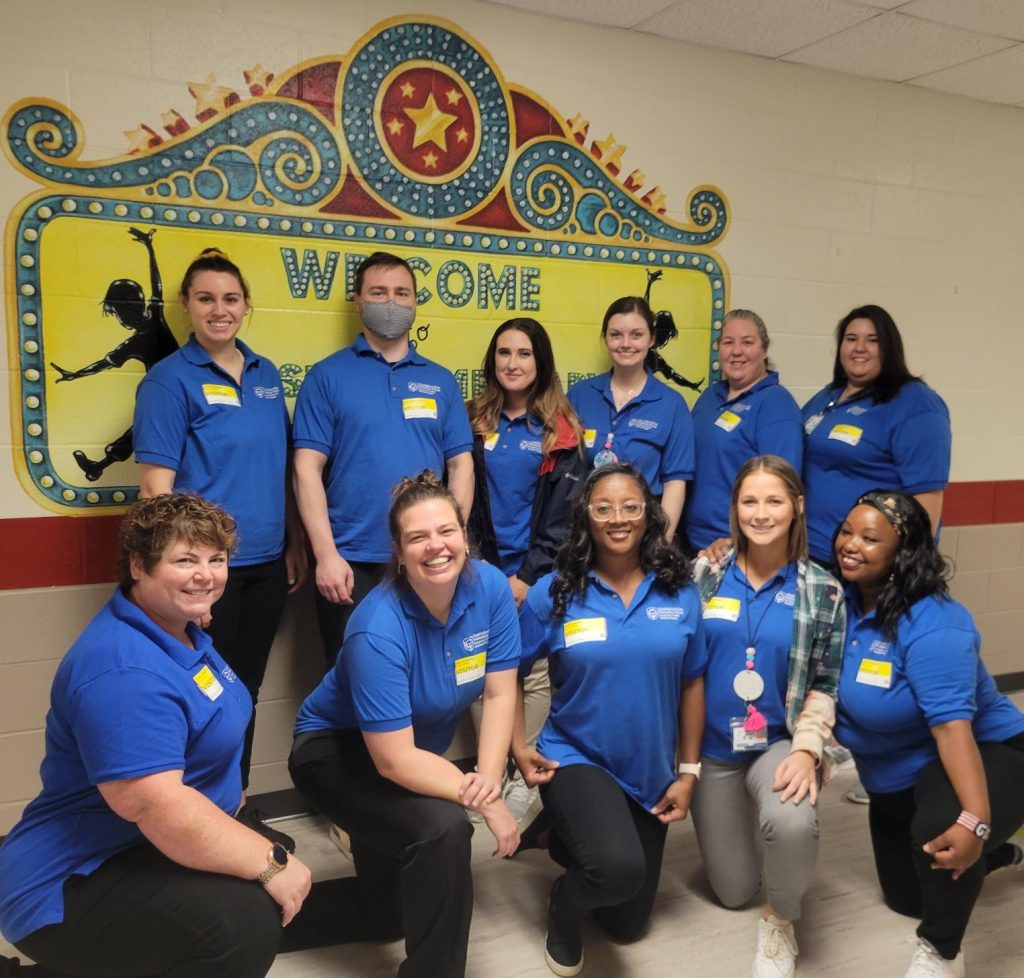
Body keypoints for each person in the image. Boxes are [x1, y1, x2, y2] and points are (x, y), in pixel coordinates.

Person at [0, 494, 312, 978]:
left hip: (139, 846)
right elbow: (157, 805)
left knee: (255, 876)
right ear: (138, 566)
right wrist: (269, 864)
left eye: (216, 559)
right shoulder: (124, 670)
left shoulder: (179, 630)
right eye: (184, 560)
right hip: (68, 880)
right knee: (240, 923)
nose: (205, 574)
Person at [285, 471, 520, 978]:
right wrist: (487, 802)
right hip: (336, 754)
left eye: (446, 531)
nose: (435, 547)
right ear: (397, 550)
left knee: (387, 913)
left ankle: (261, 908)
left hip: (409, 753)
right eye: (417, 537)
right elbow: (390, 761)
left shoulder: (492, 589)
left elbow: (501, 693)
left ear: (464, 535)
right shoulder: (377, 628)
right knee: (444, 830)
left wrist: (490, 775)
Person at [513, 463, 706, 976]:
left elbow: (693, 682)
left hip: (648, 771)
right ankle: (562, 904)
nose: (617, 518)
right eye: (603, 508)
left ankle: (559, 838)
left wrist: (689, 772)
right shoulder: (553, 592)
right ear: (586, 518)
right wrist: (516, 746)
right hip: (575, 756)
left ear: (649, 516)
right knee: (616, 871)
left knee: (626, 923)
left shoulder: (681, 591)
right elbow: (505, 671)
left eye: (630, 507)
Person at [133, 247, 307, 807]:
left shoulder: (265, 375)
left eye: (230, 299)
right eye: (206, 298)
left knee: (242, 691)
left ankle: (235, 803)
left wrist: (295, 542)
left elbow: (282, 467)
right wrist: (186, 581)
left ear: (245, 306)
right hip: (205, 575)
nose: (219, 309)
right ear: (186, 305)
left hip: (263, 567)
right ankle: (189, 812)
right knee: (195, 691)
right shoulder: (168, 381)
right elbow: (155, 493)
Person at [833, 491, 1024, 978]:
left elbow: (951, 729)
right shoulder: (841, 603)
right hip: (901, 775)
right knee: (906, 898)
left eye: (870, 538)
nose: (850, 545)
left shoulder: (935, 625)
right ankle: (1001, 852)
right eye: (847, 531)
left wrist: (975, 820)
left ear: (904, 553)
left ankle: (941, 954)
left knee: (944, 836)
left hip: (986, 751)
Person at [690, 455, 845, 978]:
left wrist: (807, 749)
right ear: (734, 508)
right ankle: (743, 835)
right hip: (710, 750)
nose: (761, 513)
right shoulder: (704, 572)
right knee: (734, 892)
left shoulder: (821, 590)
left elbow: (825, 682)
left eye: (774, 501)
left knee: (792, 820)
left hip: (776, 742)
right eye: (749, 501)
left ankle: (781, 920)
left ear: (797, 507)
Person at [293, 251, 474, 667]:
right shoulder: (327, 377)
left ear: (414, 302)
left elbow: (461, 466)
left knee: (425, 678)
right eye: (378, 292)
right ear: (358, 300)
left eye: (401, 293)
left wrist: (452, 540)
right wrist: (325, 554)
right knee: (355, 683)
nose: (390, 303)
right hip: (351, 563)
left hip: (428, 558)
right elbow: (306, 469)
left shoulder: (440, 381)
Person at [466, 317, 587, 821]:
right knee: (481, 673)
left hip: (536, 575)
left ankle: (524, 778)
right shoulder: (473, 420)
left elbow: (568, 516)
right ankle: (487, 778)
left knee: (533, 674)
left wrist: (527, 576)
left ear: (541, 363)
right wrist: (481, 570)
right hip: (479, 572)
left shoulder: (562, 430)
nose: (512, 363)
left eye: (524, 354)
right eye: (503, 353)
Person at [801, 304, 950, 567]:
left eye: (873, 340)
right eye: (851, 339)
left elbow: (926, 507)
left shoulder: (916, 404)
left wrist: (905, 572)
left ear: (890, 349)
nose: (860, 347)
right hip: (811, 556)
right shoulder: (827, 396)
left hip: (866, 567)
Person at [49, 226, 178, 482]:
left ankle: (99, 465)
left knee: (146, 428)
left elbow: (157, 283)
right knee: (142, 426)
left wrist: (150, 248)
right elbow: (104, 362)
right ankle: (98, 466)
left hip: (179, 395)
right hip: (165, 398)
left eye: (119, 314)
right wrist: (75, 374)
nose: (120, 319)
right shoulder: (138, 338)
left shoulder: (150, 323)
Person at [567, 297, 694, 540]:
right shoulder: (579, 396)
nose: (626, 344)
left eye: (636, 335)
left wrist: (661, 544)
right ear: (605, 338)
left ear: (652, 339)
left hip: (644, 535)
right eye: (616, 335)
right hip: (587, 534)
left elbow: (675, 484)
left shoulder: (672, 405)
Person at [685, 310, 803, 553]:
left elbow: (781, 490)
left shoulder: (776, 405)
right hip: (693, 543)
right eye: (728, 342)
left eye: (747, 342)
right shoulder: (710, 396)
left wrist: (738, 542)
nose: (736, 351)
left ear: (765, 349)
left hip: (735, 547)